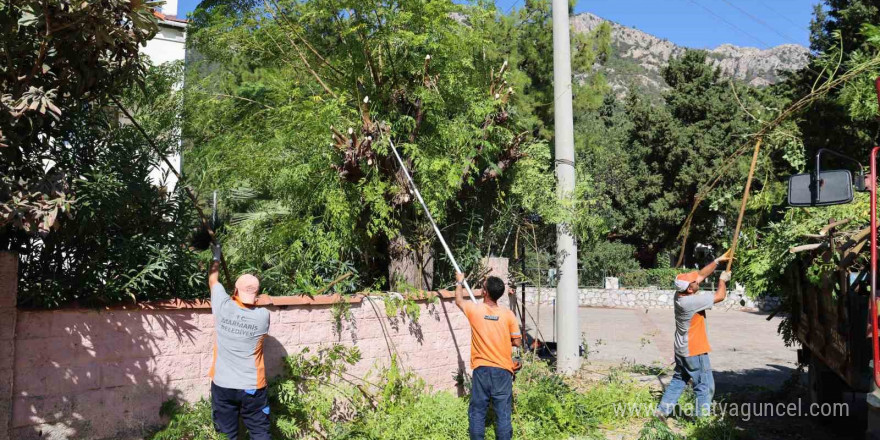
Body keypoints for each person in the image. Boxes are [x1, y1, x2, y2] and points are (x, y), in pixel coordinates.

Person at [655, 251, 732, 419]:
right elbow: (720, 296)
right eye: (694, 281)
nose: (697, 279)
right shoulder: (691, 302)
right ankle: (701, 421)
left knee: (678, 379)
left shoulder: (680, 294)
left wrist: (718, 261)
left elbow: (701, 275)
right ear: (690, 289)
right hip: (694, 350)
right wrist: (722, 280)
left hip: (681, 350)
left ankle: (662, 411)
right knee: (704, 385)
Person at [207, 242, 271, 440]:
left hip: (223, 385)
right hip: (252, 387)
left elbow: (212, 280)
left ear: (235, 291)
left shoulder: (222, 306)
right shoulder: (263, 317)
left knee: (226, 435)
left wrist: (216, 257)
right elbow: (258, 304)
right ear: (256, 295)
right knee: (260, 433)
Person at [454, 273, 522, 440]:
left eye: (482, 286)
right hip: (503, 372)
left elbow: (459, 301)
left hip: (482, 371)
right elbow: (518, 342)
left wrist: (459, 282)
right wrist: (501, 340)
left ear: (485, 292)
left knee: (478, 412)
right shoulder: (508, 315)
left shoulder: (475, 310)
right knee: (503, 414)